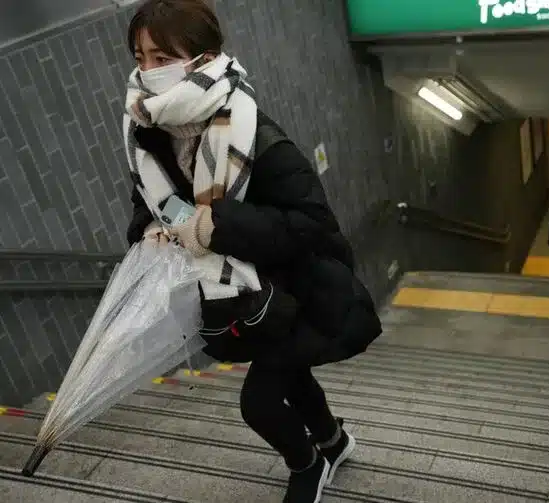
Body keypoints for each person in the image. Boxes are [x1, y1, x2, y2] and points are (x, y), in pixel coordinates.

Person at [122, 2, 382, 502]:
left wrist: (215, 227)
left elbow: (313, 224)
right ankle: (334, 443)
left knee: (258, 403)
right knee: (292, 377)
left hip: (298, 291)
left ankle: (308, 465)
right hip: (246, 298)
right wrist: (151, 229)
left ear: (203, 59)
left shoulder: (256, 135)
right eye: (140, 58)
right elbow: (145, 202)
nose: (147, 72)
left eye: (162, 58)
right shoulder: (147, 134)